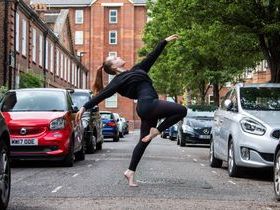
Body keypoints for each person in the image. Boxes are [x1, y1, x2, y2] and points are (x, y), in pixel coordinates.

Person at [75, 34, 187, 187]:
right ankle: (158, 130)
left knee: (143, 142)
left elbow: (151, 58)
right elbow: (103, 94)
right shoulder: (117, 81)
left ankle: (130, 172)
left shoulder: (137, 69)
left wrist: (164, 42)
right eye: (115, 58)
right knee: (181, 110)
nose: (119, 57)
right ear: (114, 67)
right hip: (149, 104)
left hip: (145, 109)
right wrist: (84, 106)